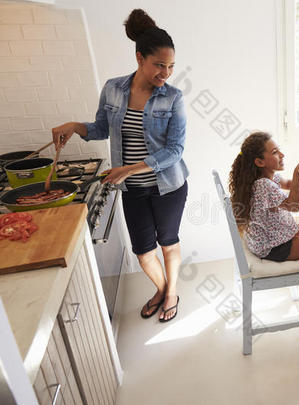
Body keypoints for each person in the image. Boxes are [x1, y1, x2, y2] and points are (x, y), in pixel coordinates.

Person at [51, 9, 188, 322]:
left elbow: (175, 150)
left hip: (168, 185)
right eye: (159, 65)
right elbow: (101, 128)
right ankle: (164, 288)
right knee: (143, 252)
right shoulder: (113, 89)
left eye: (170, 66)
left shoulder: (173, 98)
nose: (165, 73)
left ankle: (169, 293)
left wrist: (127, 169)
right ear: (140, 58)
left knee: (168, 244)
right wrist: (74, 125)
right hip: (134, 190)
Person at [228, 132, 299, 284]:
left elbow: (289, 184)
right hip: (272, 246)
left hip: (269, 235)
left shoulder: (265, 176)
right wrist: (298, 172)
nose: (282, 155)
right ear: (259, 162)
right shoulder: (264, 185)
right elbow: (295, 206)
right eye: (275, 152)